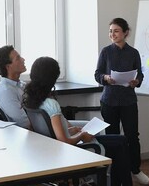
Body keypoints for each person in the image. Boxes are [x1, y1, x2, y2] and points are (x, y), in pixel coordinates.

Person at [22, 57, 133, 186]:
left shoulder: (33, 100)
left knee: (118, 143)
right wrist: (81, 135)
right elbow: (63, 140)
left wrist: (71, 130)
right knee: (121, 142)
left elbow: (50, 131)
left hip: (50, 150)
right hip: (72, 150)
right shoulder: (51, 104)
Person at [94, 17, 149, 185]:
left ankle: (135, 169)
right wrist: (106, 78)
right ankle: (115, 171)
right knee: (112, 137)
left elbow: (140, 74)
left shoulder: (133, 53)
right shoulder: (105, 52)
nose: (112, 34)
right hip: (109, 100)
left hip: (128, 101)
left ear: (126, 33)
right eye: (110, 31)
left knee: (132, 136)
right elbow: (97, 74)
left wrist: (136, 81)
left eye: (116, 31)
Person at [0, 45, 30, 128]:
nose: (23, 60)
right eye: (18, 58)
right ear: (8, 67)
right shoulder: (6, 92)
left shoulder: (20, 84)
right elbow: (25, 124)